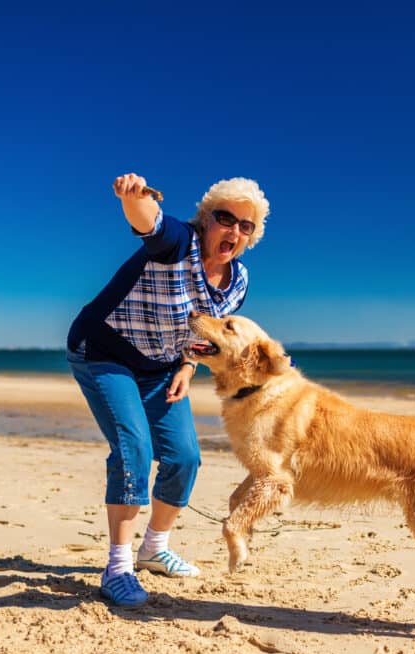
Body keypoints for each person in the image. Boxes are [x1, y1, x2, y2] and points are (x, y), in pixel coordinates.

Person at [67, 172, 269, 607]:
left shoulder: (239, 281)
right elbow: (150, 222)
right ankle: (117, 567)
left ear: (252, 236)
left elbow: (209, 334)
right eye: (225, 218)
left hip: (161, 365)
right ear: (205, 220)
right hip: (104, 352)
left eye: (245, 225)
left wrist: (189, 363)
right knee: (133, 448)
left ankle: (153, 550)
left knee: (184, 457)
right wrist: (133, 197)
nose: (233, 230)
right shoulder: (178, 244)